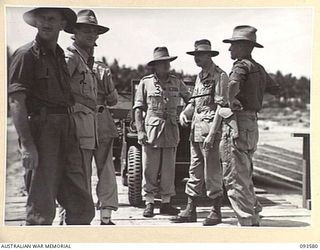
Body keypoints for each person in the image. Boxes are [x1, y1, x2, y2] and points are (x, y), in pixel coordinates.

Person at [8, 7, 95, 225]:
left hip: (67, 130)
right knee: (41, 207)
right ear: (35, 23)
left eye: (52, 19)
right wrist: (27, 146)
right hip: (42, 132)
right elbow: (16, 102)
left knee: (81, 204)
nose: (46, 23)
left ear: (62, 24)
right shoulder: (25, 55)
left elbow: (67, 98)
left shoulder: (60, 56)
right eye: (42, 19)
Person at [221, 25, 279, 226]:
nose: (229, 50)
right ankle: (253, 213)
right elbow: (274, 89)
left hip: (238, 121)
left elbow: (232, 85)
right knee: (246, 170)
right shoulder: (259, 68)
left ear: (243, 47)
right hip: (252, 122)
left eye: (233, 46)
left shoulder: (240, 66)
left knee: (235, 173)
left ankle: (245, 219)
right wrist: (255, 101)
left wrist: (232, 101)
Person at [64, 9, 118, 225]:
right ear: (74, 32)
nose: (91, 35)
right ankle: (77, 215)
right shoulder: (70, 58)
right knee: (80, 172)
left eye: (94, 32)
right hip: (79, 123)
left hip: (97, 124)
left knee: (102, 170)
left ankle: (102, 215)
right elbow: (59, 90)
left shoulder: (87, 62)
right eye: (85, 30)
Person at [171, 39, 228, 226]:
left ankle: (215, 210)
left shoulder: (220, 76)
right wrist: (185, 114)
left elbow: (222, 106)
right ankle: (190, 209)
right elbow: (194, 102)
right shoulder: (200, 76)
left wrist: (213, 134)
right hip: (196, 129)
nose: (196, 58)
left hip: (210, 130)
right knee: (194, 169)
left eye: (200, 55)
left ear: (209, 56)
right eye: (195, 55)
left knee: (212, 170)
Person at [133, 47, 190, 217]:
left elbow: (190, 100)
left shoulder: (177, 82)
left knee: (168, 169)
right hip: (152, 129)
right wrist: (140, 131)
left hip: (171, 129)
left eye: (168, 62)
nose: (166, 65)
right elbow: (138, 109)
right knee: (149, 168)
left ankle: (166, 203)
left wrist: (185, 113)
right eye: (162, 63)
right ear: (155, 66)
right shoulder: (146, 82)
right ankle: (149, 202)